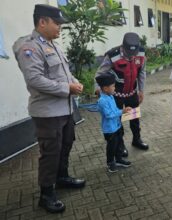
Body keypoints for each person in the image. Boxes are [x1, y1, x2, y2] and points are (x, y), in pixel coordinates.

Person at [12, 4, 85, 213]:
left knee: (66, 145)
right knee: (50, 152)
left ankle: (61, 178)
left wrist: (75, 82)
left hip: (65, 110)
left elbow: (65, 73)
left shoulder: (53, 45)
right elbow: (35, 80)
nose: (60, 27)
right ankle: (46, 194)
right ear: (42, 22)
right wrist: (67, 88)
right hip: (48, 114)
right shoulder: (30, 47)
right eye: (57, 23)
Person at [95, 32, 149, 156]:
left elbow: (142, 72)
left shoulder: (141, 53)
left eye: (133, 54)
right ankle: (120, 145)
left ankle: (136, 139)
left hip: (131, 93)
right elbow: (100, 73)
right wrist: (98, 89)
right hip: (116, 95)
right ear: (123, 46)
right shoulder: (112, 55)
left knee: (134, 118)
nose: (131, 57)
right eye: (128, 54)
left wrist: (141, 90)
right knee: (117, 120)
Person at [96, 73, 132, 173]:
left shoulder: (110, 96)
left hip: (117, 126)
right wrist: (122, 112)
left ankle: (119, 159)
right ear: (106, 88)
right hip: (109, 130)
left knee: (119, 144)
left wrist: (124, 110)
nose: (115, 88)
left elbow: (115, 109)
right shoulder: (102, 101)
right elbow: (109, 115)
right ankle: (110, 163)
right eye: (113, 86)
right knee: (112, 147)